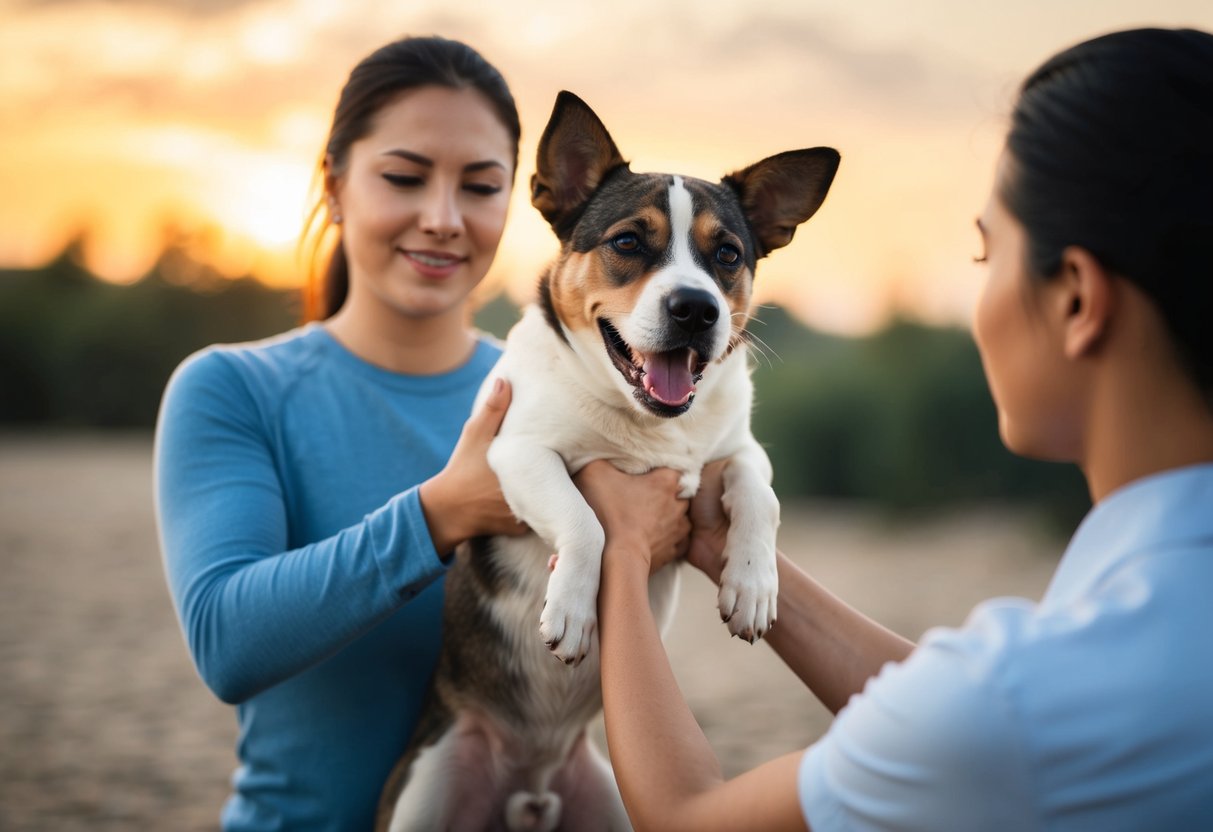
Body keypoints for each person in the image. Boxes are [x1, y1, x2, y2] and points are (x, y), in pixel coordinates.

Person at [575, 27, 1213, 831]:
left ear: (1077, 300)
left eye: (986, 257)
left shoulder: (1021, 702)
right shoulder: (1072, 679)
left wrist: (624, 554)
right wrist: (720, 543)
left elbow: (684, 816)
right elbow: (956, 716)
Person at [154, 36, 529, 830]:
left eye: (480, 187)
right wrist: (440, 514)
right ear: (334, 185)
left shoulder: (549, 403)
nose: (441, 219)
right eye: (402, 177)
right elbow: (228, 642)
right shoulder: (233, 390)